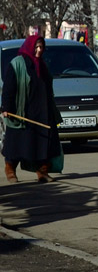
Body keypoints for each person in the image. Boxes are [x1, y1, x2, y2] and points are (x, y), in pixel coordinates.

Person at [2, 35, 62, 183]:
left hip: (42, 110)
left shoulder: (42, 65)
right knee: (18, 143)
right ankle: (10, 168)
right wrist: (7, 108)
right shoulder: (17, 63)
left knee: (44, 143)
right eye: (36, 47)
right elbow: (9, 88)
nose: (39, 50)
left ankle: (42, 171)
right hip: (23, 110)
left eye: (41, 47)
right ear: (30, 47)